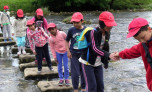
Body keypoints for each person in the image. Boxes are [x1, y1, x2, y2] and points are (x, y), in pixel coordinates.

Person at [78, 11, 117, 92]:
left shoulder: (107, 33)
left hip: (98, 63)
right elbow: (95, 48)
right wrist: (109, 55)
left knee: (100, 87)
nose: (110, 26)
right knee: (92, 87)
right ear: (102, 23)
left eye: (111, 24)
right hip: (88, 62)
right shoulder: (93, 32)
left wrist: (106, 62)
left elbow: (105, 48)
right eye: (108, 24)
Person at [111, 17, 152, 91]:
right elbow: (131, 52)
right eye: (138, 39)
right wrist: (119, 54)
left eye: (142, 37)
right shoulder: (143, 44)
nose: (141, 41)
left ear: (149, 29)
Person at [65, 12, 86, 92]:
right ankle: (75, 89)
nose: (75, 24)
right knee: (75, 73)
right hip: (74, 54)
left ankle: (83, 88)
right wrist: (68, 51)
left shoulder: (86, 30)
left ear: (82, 21)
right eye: (74, 22)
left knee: (84, 73)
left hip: (83, 54)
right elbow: (66, 41)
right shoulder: (71, 30)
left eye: (77, 22)